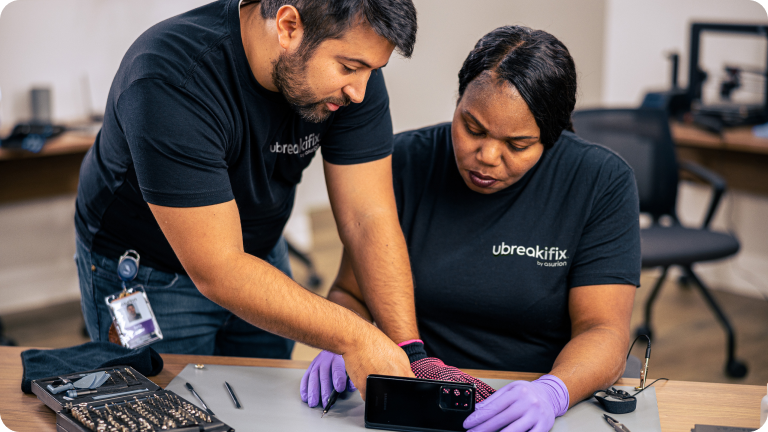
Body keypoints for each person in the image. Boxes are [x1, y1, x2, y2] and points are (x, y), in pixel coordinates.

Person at [74, 0, 422, 396]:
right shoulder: (171, 76)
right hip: (153, 271)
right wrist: (355, 337)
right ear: (289, 26)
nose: (359, 91)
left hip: (259, 253)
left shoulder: (353, 74)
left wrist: (410, 349)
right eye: (348, 68)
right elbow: (220, 268)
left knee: (263, 407)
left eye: (371, 70)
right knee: (168, 411)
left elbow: (368, 216)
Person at [301, 25, 640, 431]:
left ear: (550, 137)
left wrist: (553, 391)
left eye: (517, 145)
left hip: (527, 403)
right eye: (472, 128)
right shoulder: (405, 163)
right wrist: (343, 337)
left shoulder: (599, 182)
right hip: (415, 397)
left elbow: (603, 329)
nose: (487, 157)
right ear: (458, 100)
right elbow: (351, 292)